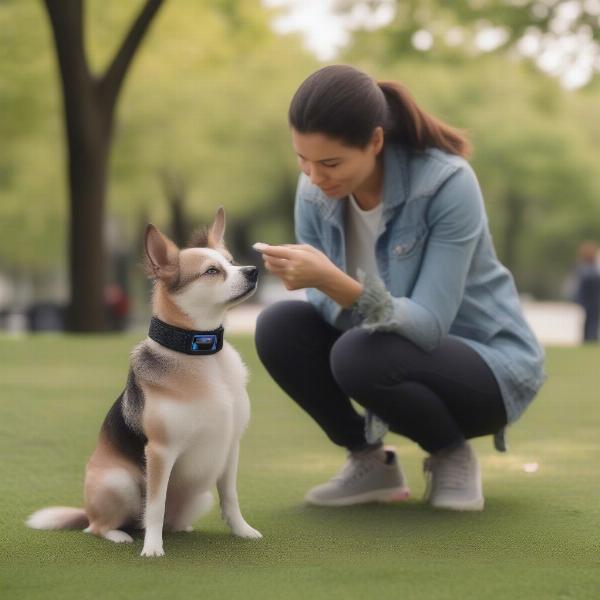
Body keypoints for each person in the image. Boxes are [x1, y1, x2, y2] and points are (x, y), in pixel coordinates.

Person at [253, 65, 545, 511]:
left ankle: (450, 453)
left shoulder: (446, 182)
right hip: (377, 347)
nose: (314, 177)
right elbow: (331, 311)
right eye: (303, 160)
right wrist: (317, 284)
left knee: (356, 352)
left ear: (375, 141)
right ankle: (371, 462)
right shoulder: (312, 190)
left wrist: (332, 281)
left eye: (330, 163)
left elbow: (428, 325)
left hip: (486, 366)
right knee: (278, 326)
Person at [574, 241, 600, 343]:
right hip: (589, 299)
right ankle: (589, 339)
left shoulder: (590, 267)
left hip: (593, 298)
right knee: (590, 320)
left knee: (592, 320)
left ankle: (590, 338)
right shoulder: (585, 268)